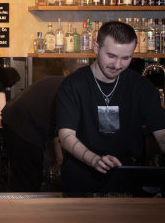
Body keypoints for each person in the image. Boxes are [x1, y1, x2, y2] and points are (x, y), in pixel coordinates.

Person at [56, 21, 165, 196]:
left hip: (127, 176)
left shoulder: (141, 86)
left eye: (126, 58)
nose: (117, 65)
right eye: (111, 56)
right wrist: (94, 160)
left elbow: (162, 134)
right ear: (96, 47)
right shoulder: (74, 85)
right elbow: (66, 136)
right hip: (82, 175)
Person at [1, 76, 64, 192]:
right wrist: (60, 159)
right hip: (22, 122)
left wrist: (59, 159)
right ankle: (26, 207)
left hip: (14, 115)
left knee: (27, 176)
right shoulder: (73, 90)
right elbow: (60, 129)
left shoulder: (66, 83)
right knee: (28, 180)